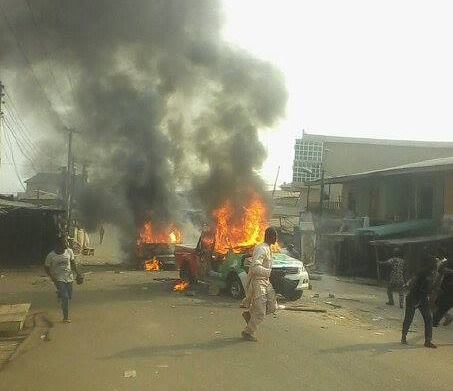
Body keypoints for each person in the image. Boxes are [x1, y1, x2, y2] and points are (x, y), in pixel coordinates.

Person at [241, 227, 278, 342]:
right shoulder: (262, 249)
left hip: (266, 281)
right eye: (275, 236)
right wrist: (270, 273)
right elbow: (255, 268)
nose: (276, 238)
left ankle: (250, 314)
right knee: (261, 313)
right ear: (269, 236)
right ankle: (248, 332)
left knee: (272, 307)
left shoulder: (268, 248)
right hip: (258, 282)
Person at [401, 247, 437, 348]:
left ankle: (428, 340)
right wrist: (408, 285)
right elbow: (414, 281)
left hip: (422, 297)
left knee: (428, 318)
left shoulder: (430, 273)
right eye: (434, 263)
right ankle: (404, 336)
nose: (435, 265)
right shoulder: (424, 273)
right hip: (414, 297)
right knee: (409, 317)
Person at [44, 236, 82, 323]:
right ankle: (66, 317)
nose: (67, 244)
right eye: (65, 242)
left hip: (69, 277)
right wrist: (52, 277)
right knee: (65, 298)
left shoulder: (69, 252)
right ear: (59, 245)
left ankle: (60, 293)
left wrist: (78, 273)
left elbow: (73, 263)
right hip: (58, 278)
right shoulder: (51, 255)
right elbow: (46, 267)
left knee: (69, 296)